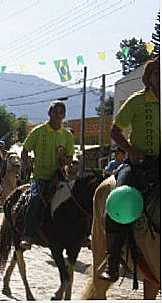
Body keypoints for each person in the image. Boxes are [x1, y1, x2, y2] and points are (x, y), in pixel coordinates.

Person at [100, 57, 160, 282]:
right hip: (137, 165)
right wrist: (130, 150)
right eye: (157, 73)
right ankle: (113, 263)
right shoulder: (136, 101)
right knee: (118, 200)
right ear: (149, 77)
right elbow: (115, 131)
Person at [20, 101, 75, 250]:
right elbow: (25, 150)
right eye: (55, 112)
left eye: (61, 113)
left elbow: (70, 156)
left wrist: (66, 160)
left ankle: (79, 235)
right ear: (49, 113)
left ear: (64, 115)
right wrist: (27, 163)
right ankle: (28, 234)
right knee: (35, 199)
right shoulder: (39, 131)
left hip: (60, 177)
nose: (58, 116)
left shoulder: (67, 135)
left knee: (75, 200)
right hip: (40, 177)